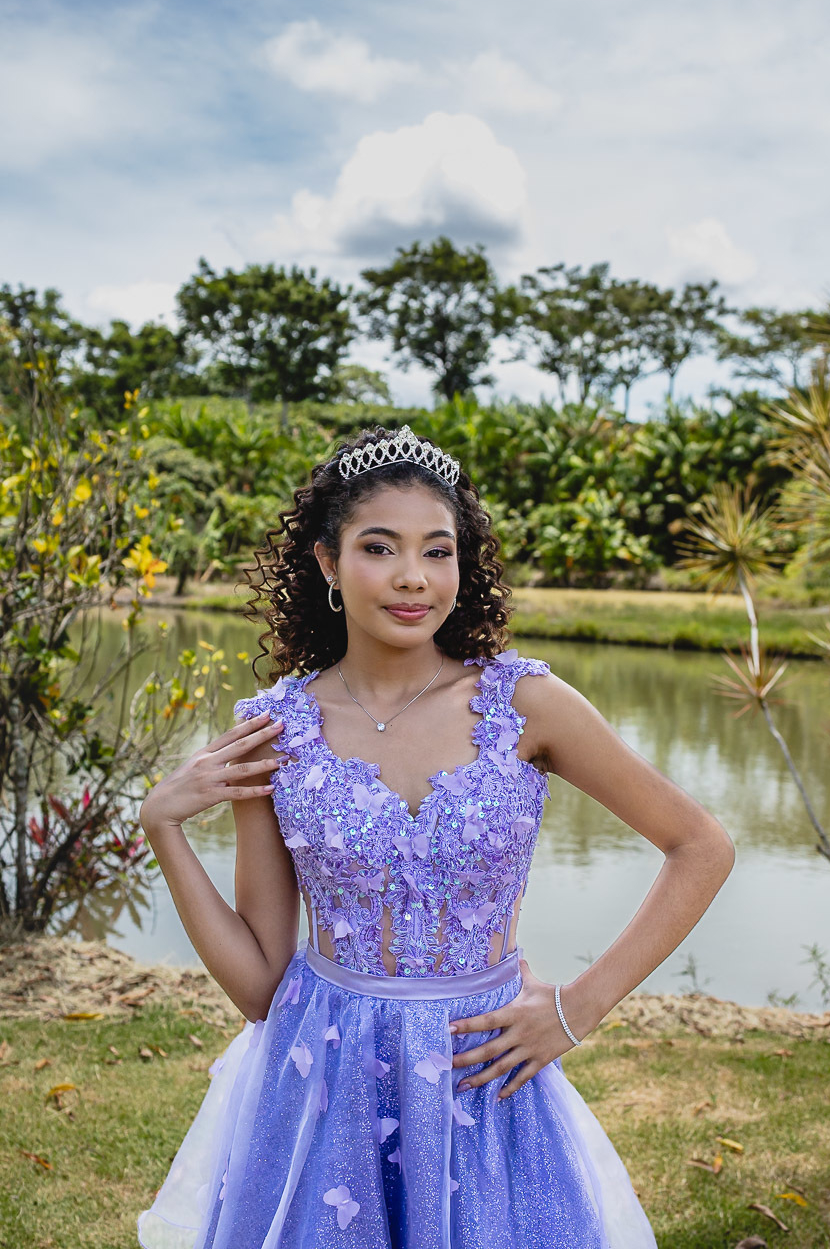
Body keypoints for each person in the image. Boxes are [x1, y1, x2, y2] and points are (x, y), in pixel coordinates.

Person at [137, 423, 735, 1248]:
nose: (414, 578)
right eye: (379, 548)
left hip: (483, 1073)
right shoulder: (277, 731)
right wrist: (162, 825)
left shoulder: (524, 704)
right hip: (325, 1087)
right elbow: (259, 988)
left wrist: (574, 1010)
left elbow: (699, 845)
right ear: (326, 563)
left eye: (438, 550)